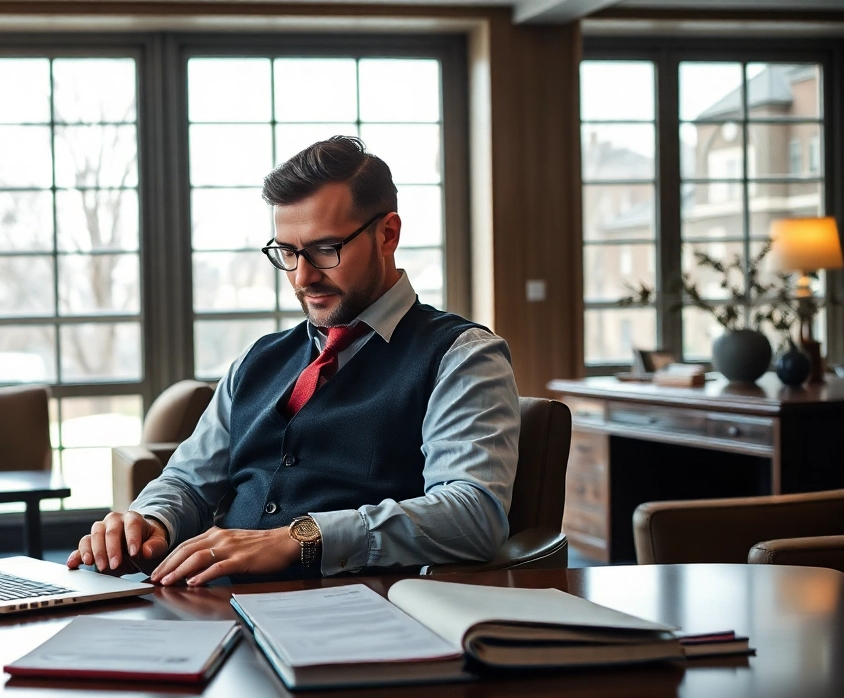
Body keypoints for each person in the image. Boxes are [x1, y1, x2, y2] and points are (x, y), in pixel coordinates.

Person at [66, 136, 520, 585]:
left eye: (326, 249)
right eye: (287, 253)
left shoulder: (462, 356)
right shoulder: (256, 359)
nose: (303, 277)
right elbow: (187, 480)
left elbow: (472, 514)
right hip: (208, 607)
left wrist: (299, 538)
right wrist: (150, 521)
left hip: (352, 617)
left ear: (388, 234)